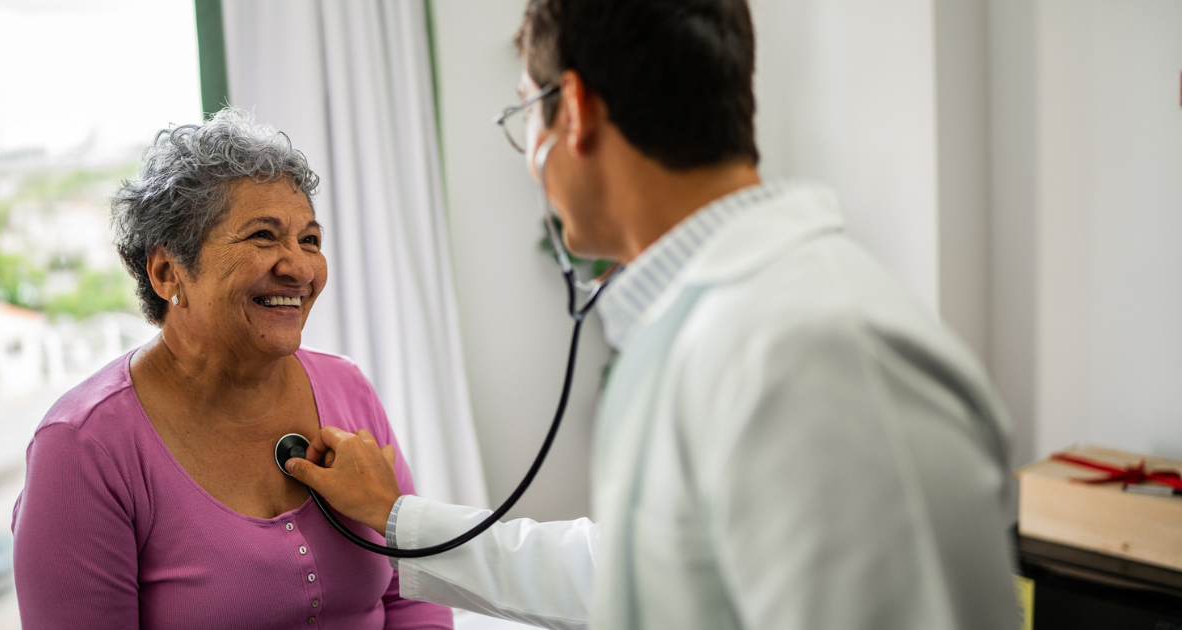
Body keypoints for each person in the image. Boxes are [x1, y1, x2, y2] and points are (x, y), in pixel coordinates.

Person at [288, 0, 1021, 628]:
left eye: (523, 115)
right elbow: (631, 575)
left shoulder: (821, 352)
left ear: (572, 112)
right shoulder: (699, 331)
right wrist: (395, 517)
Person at [11, 110, 453, 630]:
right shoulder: (84, 447)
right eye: (264, 236)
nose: (301, 267)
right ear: (166, 271)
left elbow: (413, 596)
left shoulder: (347, 388)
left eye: (309, 239)